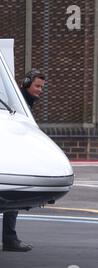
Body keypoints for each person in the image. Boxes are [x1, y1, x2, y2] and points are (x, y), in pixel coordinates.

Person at [2, 69, 46, 252]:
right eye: (37, 86)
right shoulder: (18, 104)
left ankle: (10, 239)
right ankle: (10, 240)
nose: (40, 90)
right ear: (27, 83)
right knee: (12, 197)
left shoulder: (24, 102)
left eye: (42, 87)